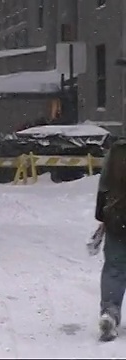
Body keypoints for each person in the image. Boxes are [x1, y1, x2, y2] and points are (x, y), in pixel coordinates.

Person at [95, 139, 126, 342]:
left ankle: (110, 313)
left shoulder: (118, 151)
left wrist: (102, 215)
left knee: (114, 268)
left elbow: (104, 184)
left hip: (118, 218)